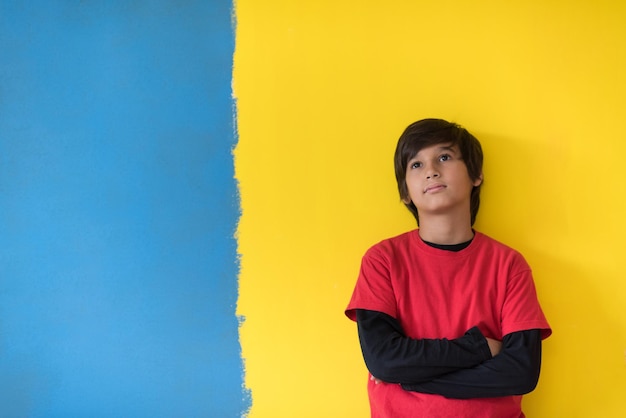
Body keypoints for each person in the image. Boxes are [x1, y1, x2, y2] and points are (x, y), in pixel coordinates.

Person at [345, 119, 551, 418]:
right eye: (415, 165)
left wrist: (408, 378)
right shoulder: (382, 260)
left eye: (444, 157)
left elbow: (520, 372)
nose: (431, 170)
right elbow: (384, 361)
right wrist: (480, 348)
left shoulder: (509, 265)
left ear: (476, 174)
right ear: (405, 192)